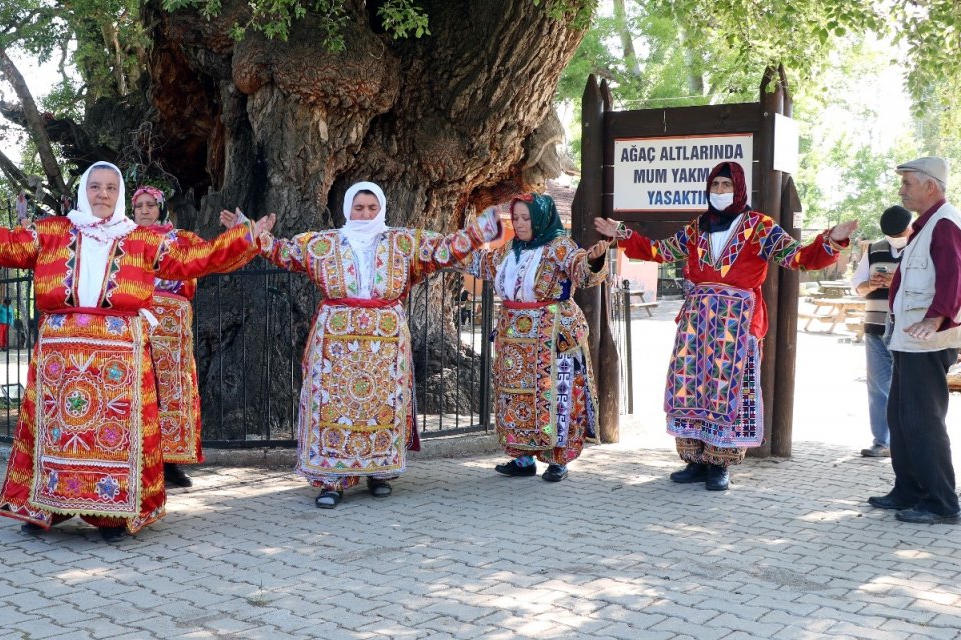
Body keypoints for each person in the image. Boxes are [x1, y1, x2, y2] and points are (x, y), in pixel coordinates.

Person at [0, 161, 273, 540]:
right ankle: (47, 506)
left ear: (119, 193)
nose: (103, 194)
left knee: (113, 434)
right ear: (84, 191)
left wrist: (244, 238)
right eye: (96, 187)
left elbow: (197, 259)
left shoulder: (142, 239)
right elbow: (5, 245)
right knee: (55, 434)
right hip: (60, 355)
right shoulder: (52, 232)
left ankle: (112, 514)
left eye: (111, 187)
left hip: (120, 354)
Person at [594, 161, 856, 491]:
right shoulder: (696, 229)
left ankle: (720, 464)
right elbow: (659, 251)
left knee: (729, 388)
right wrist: (623, 234)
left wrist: (832, 241)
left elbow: (798, 258)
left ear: (739, 189)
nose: (719, 191)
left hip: (738, 322)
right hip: (697, 323)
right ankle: (694, 460)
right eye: (715, 185)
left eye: (726, 186)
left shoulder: (760, 227)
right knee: (691, 384)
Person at [259, 181, 500, 508]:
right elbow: (282, 253)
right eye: (359, 207)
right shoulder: (322, 243)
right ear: (347, 209)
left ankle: (378, 473)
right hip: (335, 343)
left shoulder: (403, 242)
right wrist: (253, 234)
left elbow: (445, 249)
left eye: (372, 208)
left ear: (382, 209)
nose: (365, 213)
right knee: (334, 406)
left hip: (386, 341)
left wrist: (482, 228)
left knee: (380, 406)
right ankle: (332, 480)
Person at [469, 194, 610, 482]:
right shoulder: (510, 248)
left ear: (541, 218)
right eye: (516, 218)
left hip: (553, 334)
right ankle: (522, 458)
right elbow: (483, 264)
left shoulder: (560, 246)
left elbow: (582, 272)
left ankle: (558, 459)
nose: (520, 224)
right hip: (514, 336)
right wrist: (449, 251)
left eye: (526, 218)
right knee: (517, 398)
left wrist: (594, 260)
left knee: (556, 394)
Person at [132, 185, 252, 489]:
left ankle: (169, 464)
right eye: (139, 206)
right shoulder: (123, 241)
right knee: (135, 392)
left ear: (160, 208)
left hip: (173, 330)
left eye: (150, 205)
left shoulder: (182, 240)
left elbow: (215, 257)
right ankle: (134, 462)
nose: (145, 210)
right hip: (133, 327)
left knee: (172, 394)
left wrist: (239, 234)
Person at [870, 156, 961, 525]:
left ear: (931, 186)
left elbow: (956, 276)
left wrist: (936, 318)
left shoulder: (945, 223)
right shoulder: (925, 226)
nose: (901, 190)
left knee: (923, 419)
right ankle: (908, 489)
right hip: (909, 337)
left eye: (908, 183)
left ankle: (942, 502)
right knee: (901, 414)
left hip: (929, 339)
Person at [850, 206, 912, 458]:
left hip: (906, 328)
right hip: (875, 325)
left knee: (907, 385)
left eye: (899, 233)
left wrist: (895, 282)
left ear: (910, 227)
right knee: (877, 386)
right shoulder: (875, 249)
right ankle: (881, 441)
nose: (894, 237)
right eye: (890, 234)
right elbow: (857, 285)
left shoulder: (920, 246)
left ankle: (906, 441)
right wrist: (870, 284)